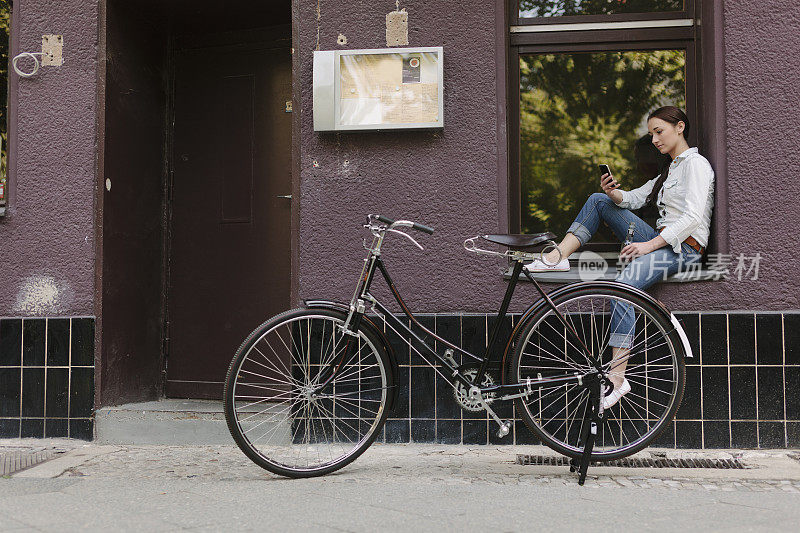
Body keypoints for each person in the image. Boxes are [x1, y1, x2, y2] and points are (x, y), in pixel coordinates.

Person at [525, 106, 714, 409]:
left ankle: (617, 378)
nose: (654, 139)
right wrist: (614, 193)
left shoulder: (696, 165)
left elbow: (692, 218)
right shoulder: (671, 168)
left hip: (684, 248)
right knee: (598, 201)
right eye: (651, 133)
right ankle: (558, 256)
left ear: (680, 127)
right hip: (661, 242)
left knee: (622, 288)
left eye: (659, 131)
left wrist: (648, 246)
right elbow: (636, 198)